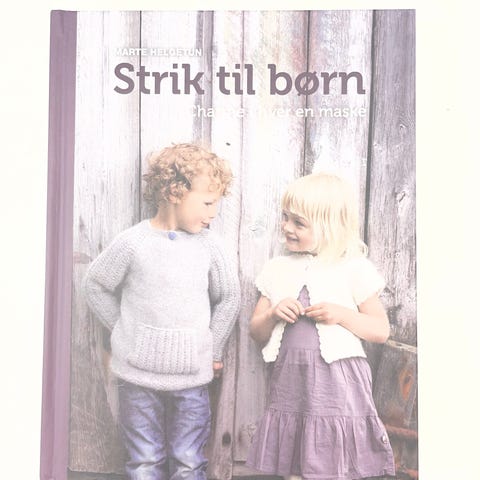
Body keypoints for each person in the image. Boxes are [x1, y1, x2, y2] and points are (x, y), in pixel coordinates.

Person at [83, 143, 241, 480]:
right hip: (137, 379)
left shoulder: (210, 246)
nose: (213, 213)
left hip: (192, 379)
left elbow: (229, 297)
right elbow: (95, 284)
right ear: (174, 192)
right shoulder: (133, 243)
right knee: (144, 461)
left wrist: (214, 348)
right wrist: (122, 328)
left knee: (188, 461)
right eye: (208, 203)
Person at [246, 172, 395, 480]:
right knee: (296, 460)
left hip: (338, 380)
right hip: (291, 379)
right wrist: (273, 313)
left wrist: (342, 315)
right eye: (285, 218)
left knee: (332, 459)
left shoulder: (353, 268)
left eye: (298, 223)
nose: (287, 227)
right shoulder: (277, 269)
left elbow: (380, 330)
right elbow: (256, 332)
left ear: (330, 227)